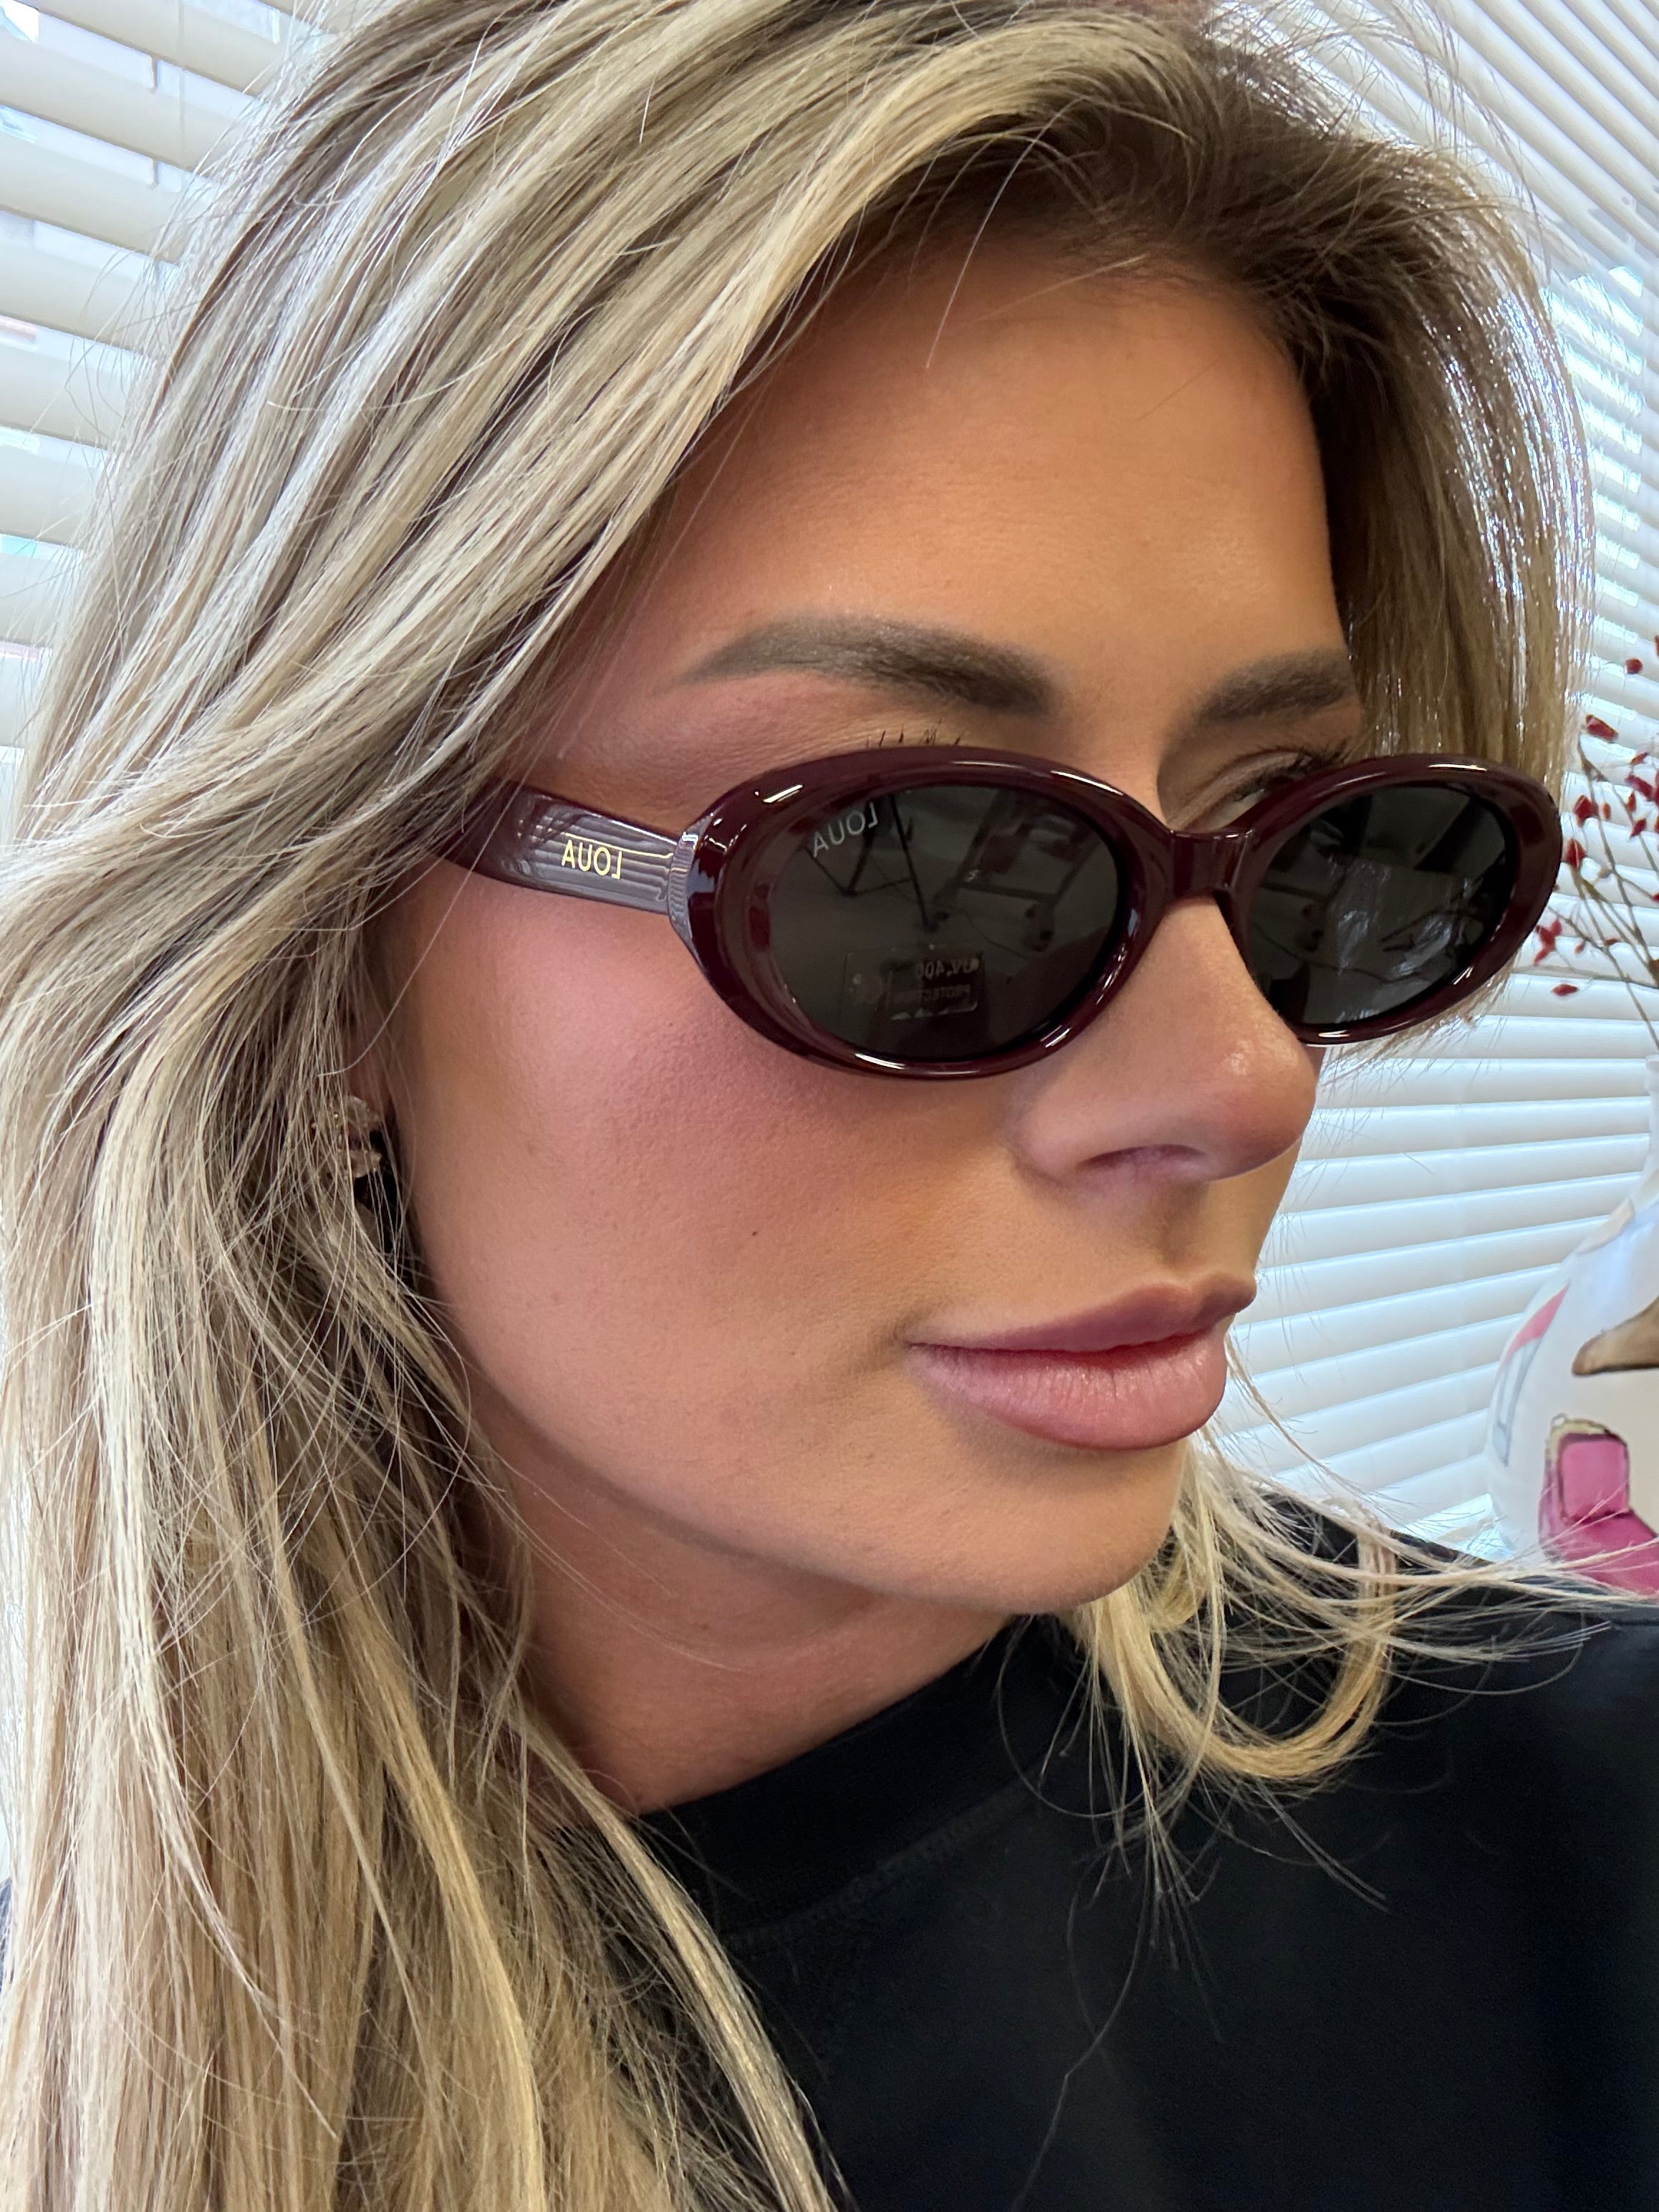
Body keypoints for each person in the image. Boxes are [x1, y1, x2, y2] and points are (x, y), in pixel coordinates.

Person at [0, 2, 1653, 2207]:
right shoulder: (82, 2053)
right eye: (908, 865)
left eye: (1305, 835)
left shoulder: (1589, 1867)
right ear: (323, 952)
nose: (1241, 1077)